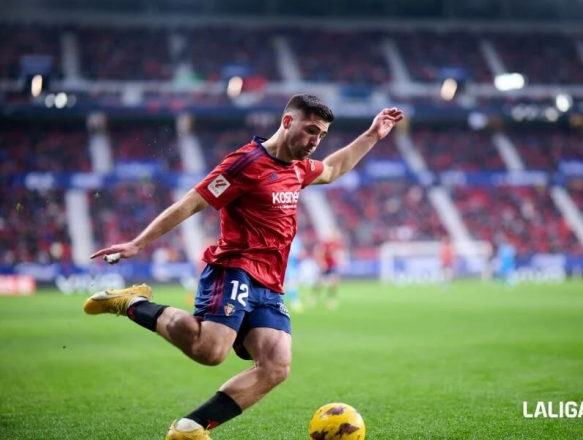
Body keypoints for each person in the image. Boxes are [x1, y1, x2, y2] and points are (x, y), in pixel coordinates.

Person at [84, 94, 403, 440]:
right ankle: (131, 303)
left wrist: (372, 135)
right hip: (234, 268)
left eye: (322, 135)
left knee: (276, 366)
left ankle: (191, 429)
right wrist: (138, 243)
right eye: (311, 130)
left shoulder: (297, 168)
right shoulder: (246, 163)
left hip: (271, 284)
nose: (315, 141)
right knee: (209, 351)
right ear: (287, 122)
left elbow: (333, 169)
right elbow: (193, 202)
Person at [313, 230, 344, 309]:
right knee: (319, 283)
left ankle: (331, 298)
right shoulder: (325, 244)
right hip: (325, 266)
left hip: (332, 266)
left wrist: (340, 262)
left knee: (334, 282)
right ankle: (314, 296)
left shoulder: (337, 244)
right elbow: (320, 253)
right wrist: (322, 263)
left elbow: (338, 254)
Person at [284, 234, 305, 313]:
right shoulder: (285, 237)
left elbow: (300, 254)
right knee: (286, 284)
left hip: (292, 265)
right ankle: (293, 302)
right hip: (284, 265)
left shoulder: (296, 240)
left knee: (290, 284)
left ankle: (293, 301)